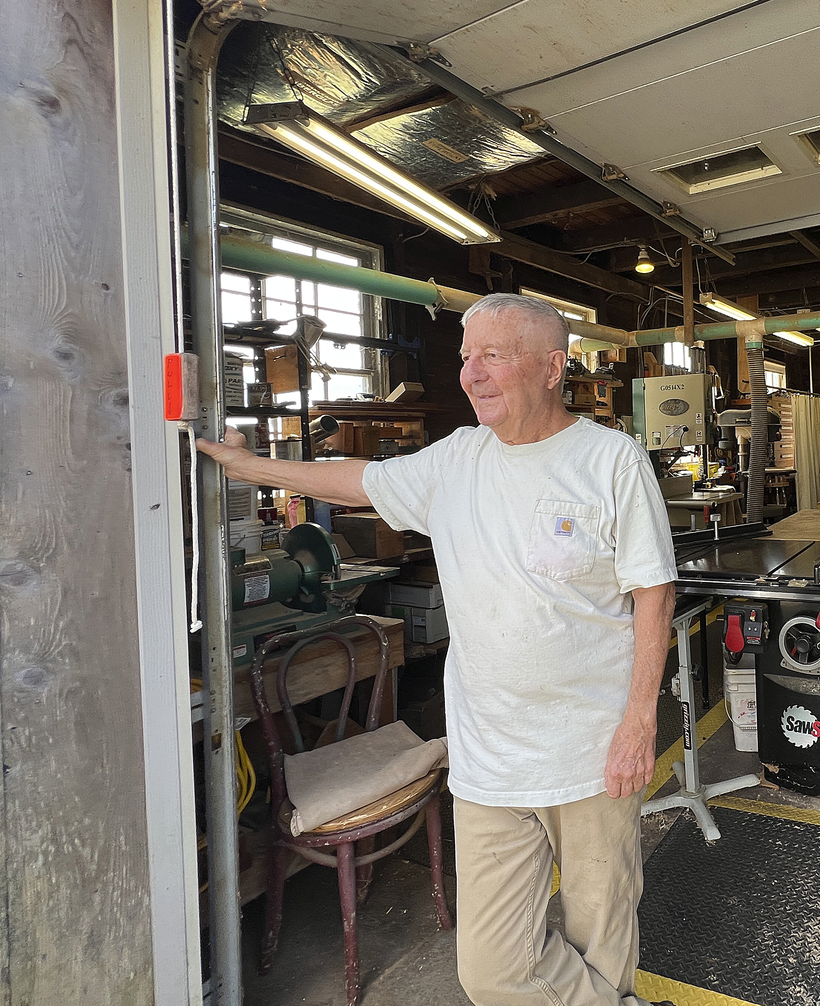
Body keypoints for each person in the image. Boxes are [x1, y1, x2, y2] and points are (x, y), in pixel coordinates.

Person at [197, 293, 677, 1006]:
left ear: (551, 366)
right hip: (488, 760)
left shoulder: (609, 460)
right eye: (464, 357)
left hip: (591, 753)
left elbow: (653, 593)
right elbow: (354, 480)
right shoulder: (454, 462)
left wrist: (639, 722)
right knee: (491, 968)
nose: (471, 374)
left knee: (600, 940)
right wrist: (249, 466)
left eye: (492, 355)